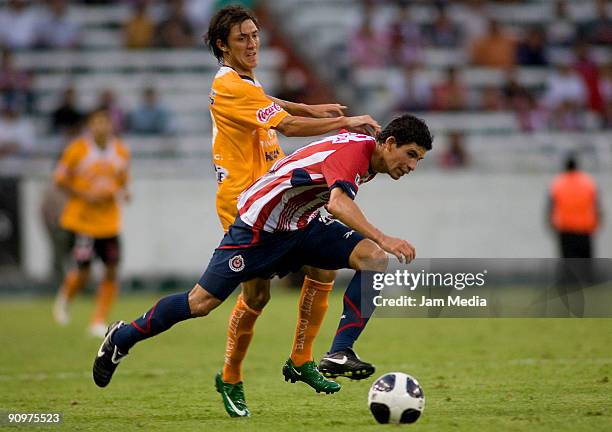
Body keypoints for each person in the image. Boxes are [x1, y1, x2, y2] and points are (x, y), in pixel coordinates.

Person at [92, 114, 433, 418]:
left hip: (301, 226)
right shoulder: (354, 153)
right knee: (202, 303)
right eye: (411, 155)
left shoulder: (368, 154)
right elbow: (339, 204)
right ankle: (123, 336)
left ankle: (338, 352)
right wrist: (384, 236)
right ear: (389, 143)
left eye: (418, 159)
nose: (413, 166)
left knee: (373, 258)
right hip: (258, 231)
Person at [203, 5, 381, 418]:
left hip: (281, 194)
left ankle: (301, 360)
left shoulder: (244, 82)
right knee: (257, 294)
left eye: (255, 35)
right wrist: (344, 123)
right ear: (222, 47)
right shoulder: (230, 85)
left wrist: (312, 108)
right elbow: (287, 127)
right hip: (245, 203)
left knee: (323, 267)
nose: (252, 44)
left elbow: (268, 103)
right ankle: (230, 377)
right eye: (242, 38)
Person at [52, 109, 130, 338]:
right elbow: (59, 180)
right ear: (89, 126)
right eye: (96, 122)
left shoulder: (121, 152)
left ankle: (98, 319)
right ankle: (66, 297)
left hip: (110, 223)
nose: (101, 126)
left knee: (111, 270)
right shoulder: (77, 150)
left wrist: (123, 193)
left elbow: (122, 181)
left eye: (105, 122)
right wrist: (85, 195)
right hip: (84, 223)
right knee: (84, 272)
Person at [548, 155, 602, 259]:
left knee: (568, 266)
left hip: (566, 231)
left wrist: (553, 227)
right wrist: (596, 224)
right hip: (585, 230)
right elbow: (597, 207)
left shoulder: (558, 184)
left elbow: (550, 209)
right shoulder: (588, 183)